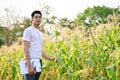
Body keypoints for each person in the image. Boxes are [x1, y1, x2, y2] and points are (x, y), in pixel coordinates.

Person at [23, 10, 56, 80]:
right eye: (36, 17)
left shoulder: (40, 34)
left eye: (40, 17)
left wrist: (51, 59)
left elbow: (40, 51)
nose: (38, 19)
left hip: (38, 61)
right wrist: (29, 65)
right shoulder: (28, 30)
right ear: (32, 19)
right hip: (31, 61)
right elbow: (26, 47)